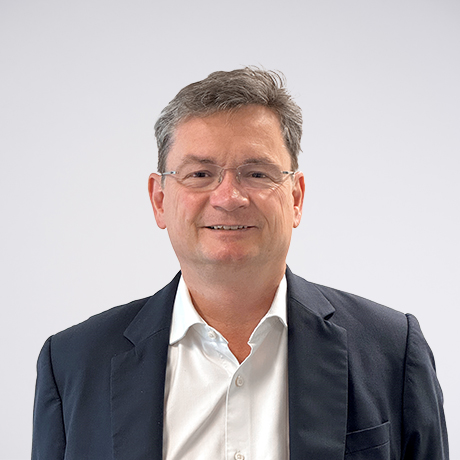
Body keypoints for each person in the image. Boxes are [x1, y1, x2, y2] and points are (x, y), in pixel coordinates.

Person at [32, 68, 448, 460]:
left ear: (296, 197)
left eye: (257, 173)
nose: (229, 197)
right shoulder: (73, 364)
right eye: (200, 174)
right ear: (159, 200)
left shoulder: (391, 351)